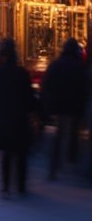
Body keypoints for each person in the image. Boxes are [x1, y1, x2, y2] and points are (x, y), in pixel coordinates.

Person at [0, 38, 37, 196]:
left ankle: (6, 186)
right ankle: (21, 186)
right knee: (21, 155)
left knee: (5, 155)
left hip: (2, 122)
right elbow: (29, 98)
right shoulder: (22, 74)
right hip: (20, 121)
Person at [41, 38, 88, 180]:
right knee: (73, 133)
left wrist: (48, 105)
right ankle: (71, 161)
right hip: (74, 107)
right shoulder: (80, 67)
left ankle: (55, 165)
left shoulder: (56, 65)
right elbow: (84, 88)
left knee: (60, 134)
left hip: (59, 106)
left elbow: (47, 84)